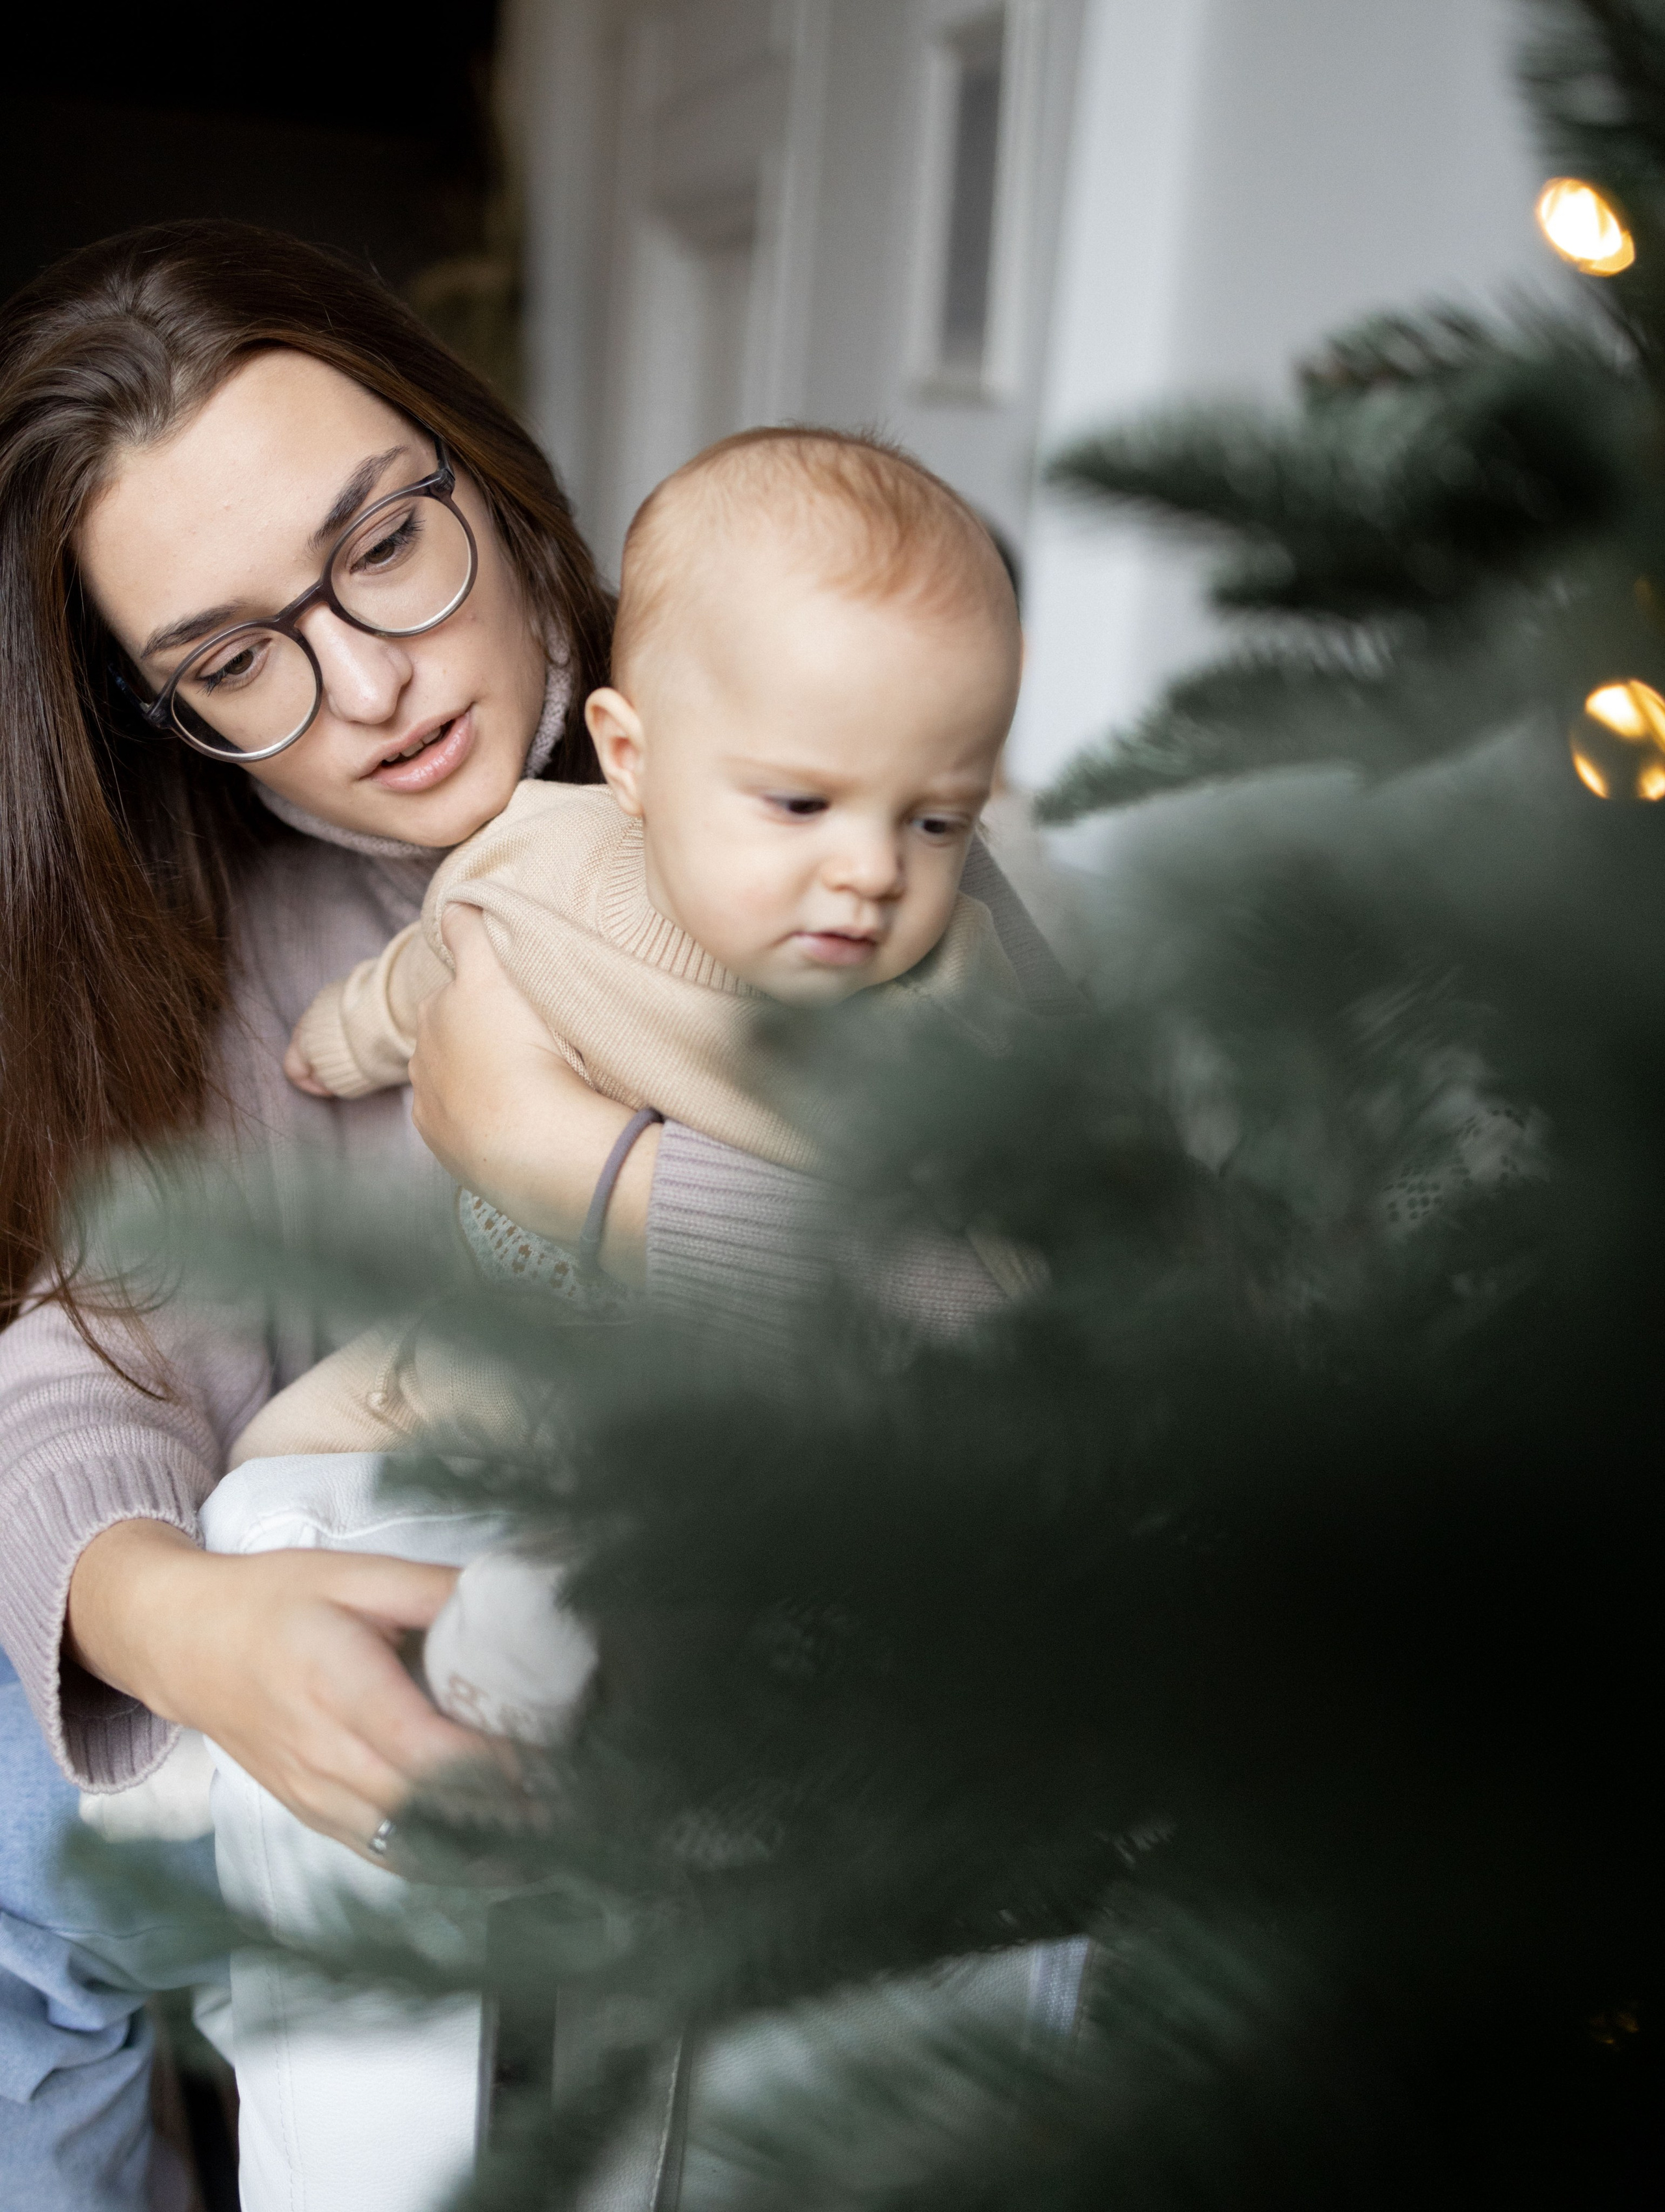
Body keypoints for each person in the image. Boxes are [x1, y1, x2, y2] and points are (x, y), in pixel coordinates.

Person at [0, 222, 1069, 2207]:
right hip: (440, 1614)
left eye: (383, 547)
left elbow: (1037, 1292)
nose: (368, 682)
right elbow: (83, 1356)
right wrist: (181, 1620)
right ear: (159, 708)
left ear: (481, 468)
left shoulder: (830, 771)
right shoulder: (224, 965)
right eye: (235, 658)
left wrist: (570, 1164)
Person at [240, 425, 1029, 1463]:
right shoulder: (542, 856)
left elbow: (1005, 1302)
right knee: (273, 1458)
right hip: (493, 1347)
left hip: (758, 1408)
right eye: (801, 802)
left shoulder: (952, 1003)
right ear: (629, 760)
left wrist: (604, 1176)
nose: (875, 872)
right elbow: (442, 952)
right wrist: (348, 1033)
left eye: (936, 822)